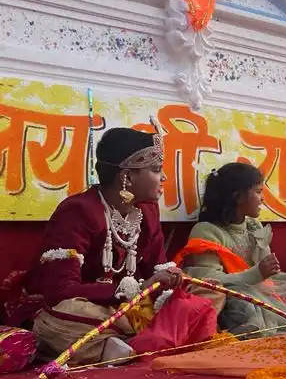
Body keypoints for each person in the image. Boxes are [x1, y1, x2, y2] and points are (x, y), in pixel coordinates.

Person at [25, 127, 216, 366]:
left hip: (134, 308)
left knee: (207, 292)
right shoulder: (78, 212)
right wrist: (130, 291)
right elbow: (59, 290)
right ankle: (129, 342)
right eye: (156, 170)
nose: (163, 177)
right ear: (127, 176)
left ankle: (127, 344)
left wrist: (170, 279)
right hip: (91, 308)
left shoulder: (147, 210)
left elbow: (157, 264)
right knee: (67, 312)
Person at [176, 163, 286, 336]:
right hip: (232, 302)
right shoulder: (207, 230)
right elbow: (208, 282)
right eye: (258, 191)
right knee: (245, 303)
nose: (262, 198)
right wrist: (256, 273)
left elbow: (268, 278)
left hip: (263, 296)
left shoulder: (254, 227)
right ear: (238, 197)